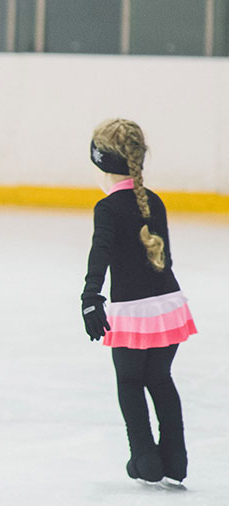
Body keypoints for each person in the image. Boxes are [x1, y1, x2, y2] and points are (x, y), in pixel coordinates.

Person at [82, 119, 196, 487]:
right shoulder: (156, 201)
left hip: (132, 313)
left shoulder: (108, 207)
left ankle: (145, 457)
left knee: (130, 381)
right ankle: (175, 458)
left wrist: (90, 297)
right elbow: (167, 258)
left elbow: (99, 254)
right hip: (169, 307)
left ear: (103, 164)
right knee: (160, 378)